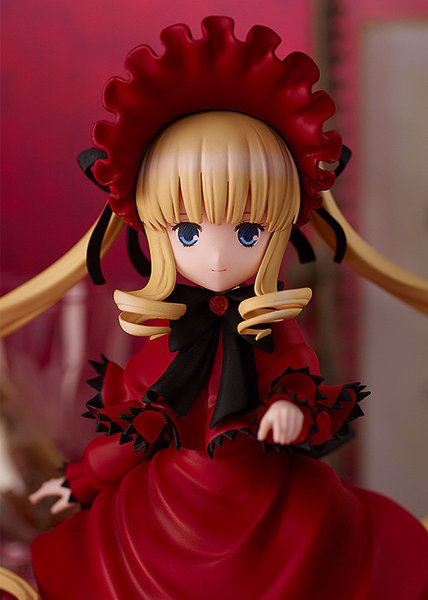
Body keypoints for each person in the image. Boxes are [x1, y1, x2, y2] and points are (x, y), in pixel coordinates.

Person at [1, 16, 427, 600]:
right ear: (155, 231)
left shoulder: (273, 328)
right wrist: (79, 480)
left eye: (248, 232)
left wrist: (288, 408)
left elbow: (298, 377)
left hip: (271, 501)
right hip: (168, 506)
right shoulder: (169, 334)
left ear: (280, 230)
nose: (219, 255)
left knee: (335, 558)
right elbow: (143, 421)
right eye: (189, 232)